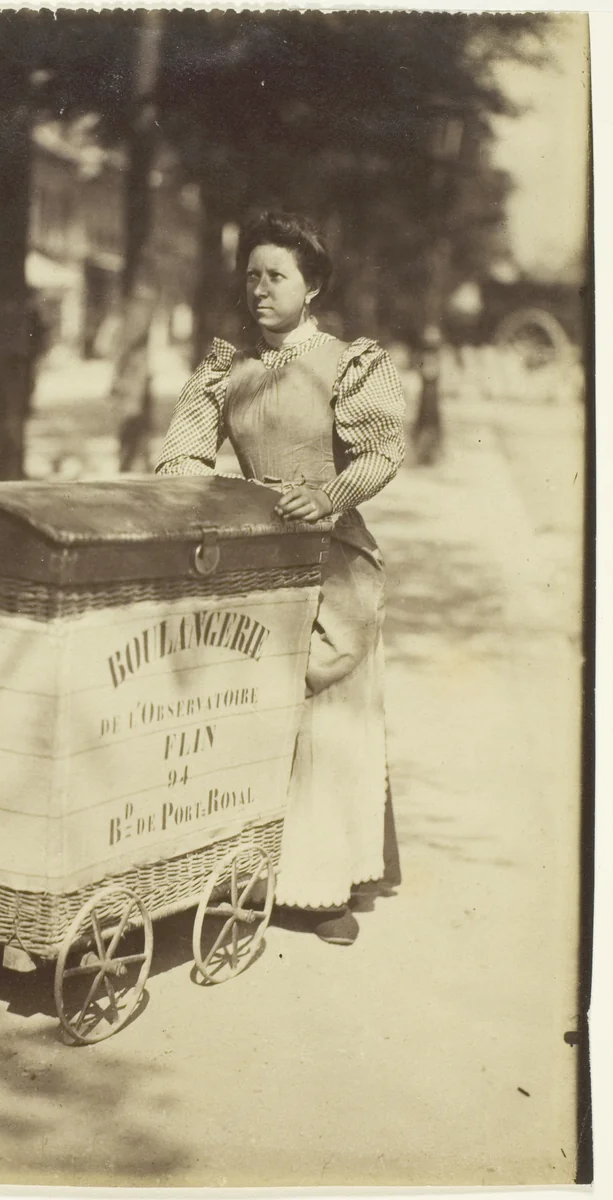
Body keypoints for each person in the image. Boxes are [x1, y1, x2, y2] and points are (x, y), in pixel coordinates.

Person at [155, 210, 406, 946]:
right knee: (240, 701)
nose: (259, 290)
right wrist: (194, 500)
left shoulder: (349, 362)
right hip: (249, 552)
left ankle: (320, 883)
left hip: (328, 556)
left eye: (276, 276)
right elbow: (182, 454)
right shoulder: (222, 367)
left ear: (313, 287)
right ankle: (235, 873)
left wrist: (326, 495)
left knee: (321, 717)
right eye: (251, 276)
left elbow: (380, 453)